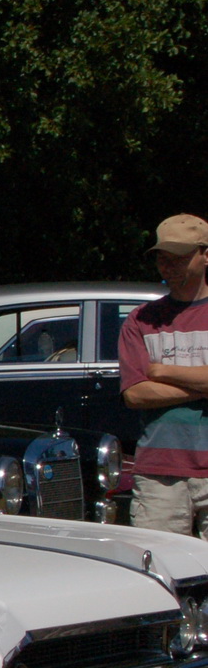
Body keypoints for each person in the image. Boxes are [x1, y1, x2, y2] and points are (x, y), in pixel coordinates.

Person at [119, 214, 208, 536]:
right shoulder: (141, 320)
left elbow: (149, 383)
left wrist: (163, 371)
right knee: (161, 563)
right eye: (162, 258)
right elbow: (135, 394)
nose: (169, 266)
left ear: (205, 255)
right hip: (158, 471)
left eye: (179, 257)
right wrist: (201, 385)